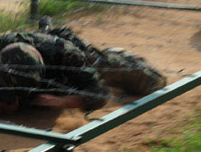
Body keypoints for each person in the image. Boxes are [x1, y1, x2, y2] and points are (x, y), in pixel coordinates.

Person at [37, 17, 166, 96]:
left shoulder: (108, 65)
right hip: (85, 64)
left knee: (152, 81)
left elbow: (159, 82)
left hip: (95, 64)